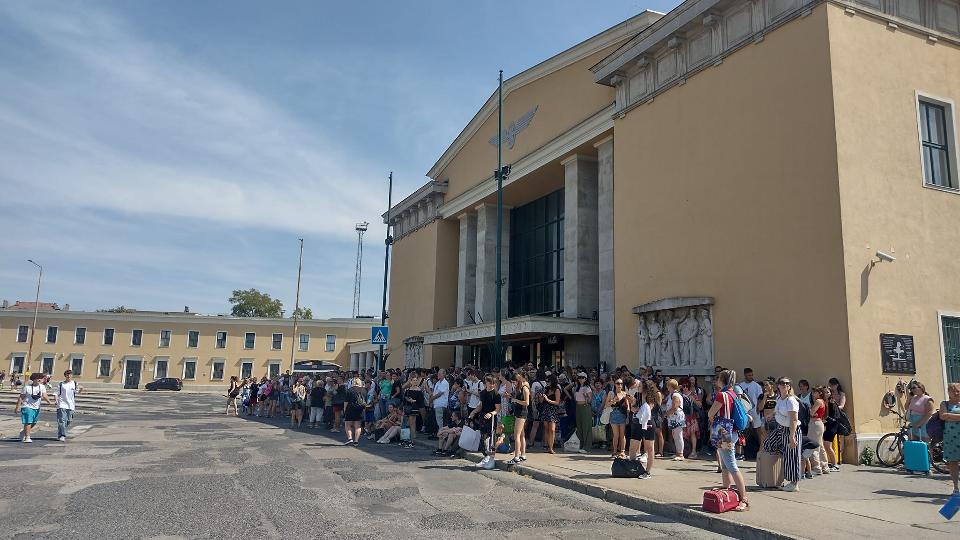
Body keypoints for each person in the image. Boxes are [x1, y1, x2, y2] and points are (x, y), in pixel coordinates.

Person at [707, 369, 749, 511]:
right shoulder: (733, 393)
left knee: (731, 465)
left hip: (723, 431)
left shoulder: (721, 395)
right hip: (733, 430)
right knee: (725, 464)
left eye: (718, 378)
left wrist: (713, 421)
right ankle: (727, 489)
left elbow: (711, 413)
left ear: (721, 380)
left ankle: (744, 499)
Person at [764, 377, 802, 492]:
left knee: (792, 456)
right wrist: (772, 414)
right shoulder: (780, 398)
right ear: (778, 386)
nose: (784, 385)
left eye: (787, 383)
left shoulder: (791, 400)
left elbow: (794, 419)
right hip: (781, 428)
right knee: (768, 444)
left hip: (790, 430)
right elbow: (777, 409)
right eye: (782, 383)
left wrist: (792, 436)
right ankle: (780, 475)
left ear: (789, 386)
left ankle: (794, 483)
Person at [469, 375, 501, 468]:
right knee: (483, 439)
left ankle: (491, 459)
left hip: (491, 419)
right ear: (485, 383)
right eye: (489, 383)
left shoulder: (496, 394)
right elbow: (481, 406)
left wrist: (491, 413)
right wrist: (473, 412)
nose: (491, 385)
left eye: (493, 383)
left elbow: (498, 409)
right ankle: (486, 457)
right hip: (483, 418)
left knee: (491, 440)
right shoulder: (482, 393)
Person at [14, 373, 56, 443]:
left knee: (34, 422)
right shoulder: (27, 387)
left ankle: (23, 432)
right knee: (28, 422)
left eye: (41, 378)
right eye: (38, 378)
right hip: (27, 406)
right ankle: (27, 437)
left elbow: (45, 395)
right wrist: (17, 407)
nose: (40, 379)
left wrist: (50, 402)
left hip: (36, 407)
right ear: (34, 379)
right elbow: (21, 397)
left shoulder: (42, 387)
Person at [629, 384, 659, 479]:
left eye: (641, 385)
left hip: (648, 423)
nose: (638, 386)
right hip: (637, 422)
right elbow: (633, 409)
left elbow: (648, 410)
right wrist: (633, 405)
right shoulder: (638, 395)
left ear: (645, 388)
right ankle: (632, 468)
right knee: (633, 446)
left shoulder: (650, 399)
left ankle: (648, 472)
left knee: (650, 448)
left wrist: (638, 409)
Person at [938, 382, 960, 494]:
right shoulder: (944, 404)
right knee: (953, 462)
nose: (956, 393)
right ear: (949, 393)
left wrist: (950, 416)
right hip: (951, 437)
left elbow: (947, 416)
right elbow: (943, 416)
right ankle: (956, 487)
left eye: (958, 391)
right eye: (953, 391)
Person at [804, 386, 829, 477]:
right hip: (818, 424)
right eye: (813, 391)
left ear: (819, 393)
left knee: (814, 446)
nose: (813, 393)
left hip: (815, 424)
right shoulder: (822, 401)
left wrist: (810, 411)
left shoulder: (818, 401)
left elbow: (811, 412)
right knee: (820, 446)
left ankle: (817, 468)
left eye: (815, 391)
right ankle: (824, 466)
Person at [507, 372, 530, 464]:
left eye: (514, 382)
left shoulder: (525, 388)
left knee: (516, 434)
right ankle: (523, 454)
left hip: (522, 413)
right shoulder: (518, 388)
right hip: (518, 412)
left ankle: (516, 456)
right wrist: (511, 397)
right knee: (521, 435)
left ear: (518, 380)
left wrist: (516, 400)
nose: (513, 384)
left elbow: (527, 403)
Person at [606, 378, 631, 459]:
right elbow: (606, 404)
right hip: (614, 413)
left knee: (622, 434)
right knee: (616, 434)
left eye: (621, 383)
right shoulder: (611, 393)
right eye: (618, 383)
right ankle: (614, 451)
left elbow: (628, 406)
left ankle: (622, 451)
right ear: (615, 384)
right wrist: (613, 400)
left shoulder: (624, 393)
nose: (619, 385)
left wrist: (627, 417)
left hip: (622, 414)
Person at [570, 372, 594, 454]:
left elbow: (590, 400)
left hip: (585, 407)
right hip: (578, 407)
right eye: (579, 377)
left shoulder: (587, 388)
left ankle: (587, 447)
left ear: (586, 379)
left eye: (582, 377)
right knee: (579, 427)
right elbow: (575, 398)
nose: (580, 379)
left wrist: (586, 396)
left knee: (586, 427)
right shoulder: (577, 387)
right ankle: (581, 445)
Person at [662, 379, 685, 460]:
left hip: (677, 418)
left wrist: (666, 413)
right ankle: (678, 453)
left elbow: (675, 407)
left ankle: (680, 454)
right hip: (674, 418)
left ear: (670, 386)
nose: (667, 387)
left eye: (668, 385)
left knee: (678, 435)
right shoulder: (672, 394)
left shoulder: (675, 395)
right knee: (675, 435)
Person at [56, 369, 82, 442]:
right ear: (65, 376)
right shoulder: (61, 384)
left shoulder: (74, 383)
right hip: (62, 404)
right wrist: (56, 400)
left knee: (69, 420)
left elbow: (77, 392)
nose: (68, 376)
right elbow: (56, 393)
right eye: (67, 375)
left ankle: (60, 431)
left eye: (70, 375)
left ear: (72, 376)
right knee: (62, 420)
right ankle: (62, 435)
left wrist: (81, 389)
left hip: (71, 404)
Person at [538, 375, 562, 454]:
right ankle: (548, 446)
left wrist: (547, 399)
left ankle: (551, 447)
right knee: (546, 428)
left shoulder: (557, 390)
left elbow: (557, 402)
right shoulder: (546, 389)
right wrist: (540, 397)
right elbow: (541, 401)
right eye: (546, 381)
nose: (547, 383)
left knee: (552, 429)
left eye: (548, 381)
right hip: (545, 409)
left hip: (553, 410)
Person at [821, 386, 841, 471]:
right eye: (824, 392)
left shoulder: (832, 402)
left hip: (832, 427)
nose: (826, 394)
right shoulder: (825, 402)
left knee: (828, 446)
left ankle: (835, 465)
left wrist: (825, 420)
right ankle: (832, 463)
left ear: (831, 393)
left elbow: (836, 417)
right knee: (826, 446)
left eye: (828, 392)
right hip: (828, 426)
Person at [681, 376, 702, 459]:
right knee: (682, 435)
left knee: (692, 434)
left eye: (687, 386)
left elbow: (700, 405)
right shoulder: (679, 394)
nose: (685, 388)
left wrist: (693, 399)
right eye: (683, 386)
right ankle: (684, 451)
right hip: (682, 417)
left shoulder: (692, 394)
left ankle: (693, 451)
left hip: (691, 416)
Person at [343, 377, 367, 445]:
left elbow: (346, 401)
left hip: (350, 409)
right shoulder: (364, 390)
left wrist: (344, 409)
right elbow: (365, 400)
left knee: (347, 425)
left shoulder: (349, 390)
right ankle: (356, 441)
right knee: (358, 426)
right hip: (360, 409)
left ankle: (350, 438)